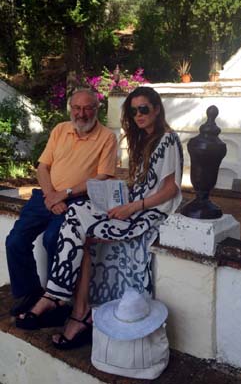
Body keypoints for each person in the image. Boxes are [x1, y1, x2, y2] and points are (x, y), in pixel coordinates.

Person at [16, 86, 183, 350]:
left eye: (144, 109)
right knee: (76, 213)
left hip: (150, 212)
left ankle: (62, 302)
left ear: (157, 109)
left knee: (82, 231)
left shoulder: (168, 139)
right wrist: (118, 199)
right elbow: (136, 183)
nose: (138, 115)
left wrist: (131, 207)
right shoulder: (143, 140)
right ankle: (66, 302)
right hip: (133, 204)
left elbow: (170, 190)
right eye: (133, 110)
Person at [6, 88, 118, 317]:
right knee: (15, 241)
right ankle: (30, 293)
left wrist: (64, 194)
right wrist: (50, 196)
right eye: (76, 108)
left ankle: (57, 299)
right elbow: (42, 167)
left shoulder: (107, 137)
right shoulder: (60, 130)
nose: (81, 113)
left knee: (53, 239)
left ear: (97, 110)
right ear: (70, 109)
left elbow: (102, 177)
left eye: (87, 108)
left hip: (77, 200)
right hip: (48, 195)